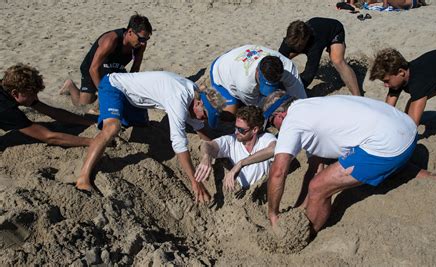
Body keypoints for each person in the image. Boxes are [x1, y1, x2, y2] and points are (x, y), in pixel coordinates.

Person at [263, 90, 436, 232]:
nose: (277, 130)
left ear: (280, 115)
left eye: (273, 124)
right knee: (366, 157)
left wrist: (273, 213)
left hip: (389, 146)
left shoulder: (292, 121)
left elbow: (278, 172)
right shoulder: (313, 105)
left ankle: (304, 236)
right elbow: (316, 166)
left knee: (318, 187)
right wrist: (300, 207)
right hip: (407, 129)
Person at [75, 71, 226, 203]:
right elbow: (179, 145)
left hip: (135, 101)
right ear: (198, 102)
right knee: (113, 127)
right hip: (114, 86)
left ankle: (104, 119)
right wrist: (195, 182)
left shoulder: (194, 97)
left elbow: (201, 130)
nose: (204, 119)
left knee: (143, 129)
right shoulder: (178, 99)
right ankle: (83, 178)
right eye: (206, 115)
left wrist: (219, 153)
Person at [370, 48, 436, 147]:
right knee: (413, 103)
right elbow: (387, 111)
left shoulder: (419, 80)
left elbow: (412, 125)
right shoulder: (402, 77)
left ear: (401, 72)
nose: (385, 85)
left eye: (386, 81)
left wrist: (400, 140)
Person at [60, 14, 152, 108]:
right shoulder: (111, 40)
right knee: (83, 106)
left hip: (114, 68)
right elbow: (93, 69)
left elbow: (135, 68)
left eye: (146, 39)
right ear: (130, 32)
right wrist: (103, 94)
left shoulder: (141, 45)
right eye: (141, 38)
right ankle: (70, 86)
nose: (143, 42)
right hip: (92, 67)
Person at [1, 64, 93, 147]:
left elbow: (53, 112)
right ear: (15, 93)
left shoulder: (7, 85)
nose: (35, 98)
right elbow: (50, 137)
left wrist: (89, 123)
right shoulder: (7, 109)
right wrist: (94, 142)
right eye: (31, 94)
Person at [199, 44, 306, 115]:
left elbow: (302, 101)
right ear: (257, 72)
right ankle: (203, 89)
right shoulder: (245, 83)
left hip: (238, 55)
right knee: (230, 113)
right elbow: (259, 109)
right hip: (221, 70)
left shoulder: (288, 67)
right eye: (265, 84)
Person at [195, 106, 276, 191]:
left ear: (255, 129)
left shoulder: (266, 139)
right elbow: (208, 145)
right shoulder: (231, 140)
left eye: (241, 130)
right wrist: (207, 156)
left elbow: (273, 149)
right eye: (236, 127)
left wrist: (241, 163)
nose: (236, 132)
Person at [279, 18, 360, 96]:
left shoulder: (315, 45)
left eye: (299, 45)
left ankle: (358, 95)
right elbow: (277, 60)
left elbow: (309, 74)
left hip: (335, 30)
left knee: (337, 61)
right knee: (283, 58)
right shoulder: (289, 40)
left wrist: (293, 88)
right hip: (315, 30)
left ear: (306, 39)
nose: (296, 47)